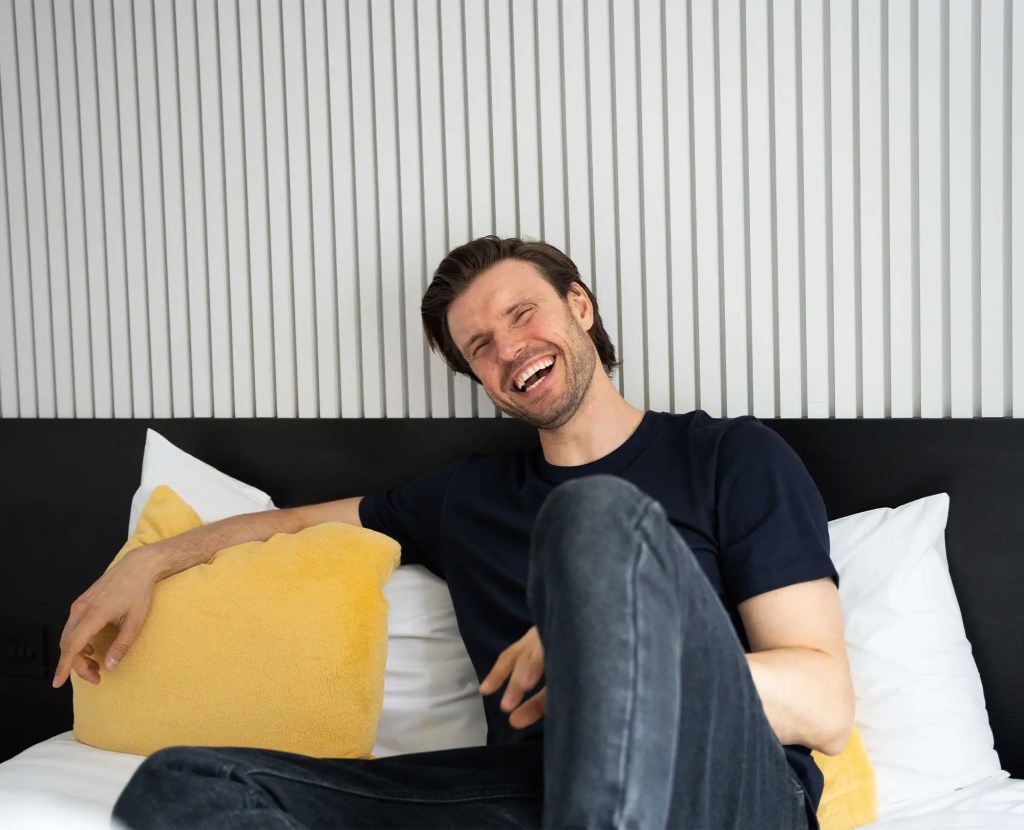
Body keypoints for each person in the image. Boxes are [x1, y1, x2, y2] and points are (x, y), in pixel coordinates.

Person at [53, 236, 854, 829]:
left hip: (721, 786)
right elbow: (291, 524)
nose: (509, 349)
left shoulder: (729, 457)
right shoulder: (464, 497)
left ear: (580, 306)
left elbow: (824, 706)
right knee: (185, 785)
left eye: (522, 313)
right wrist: (152, 559)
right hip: (529, 791)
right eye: (480, 346)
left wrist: (607, 634)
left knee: (593, 520)